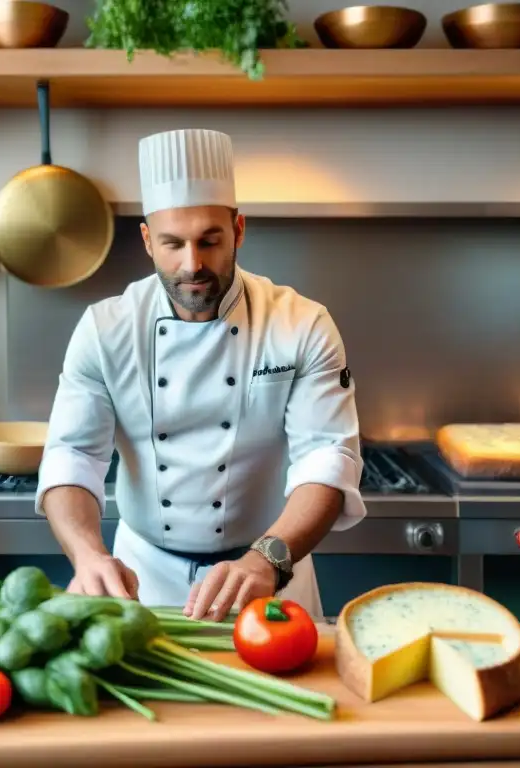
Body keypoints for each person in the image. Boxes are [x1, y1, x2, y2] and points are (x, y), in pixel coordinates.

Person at [34, 128, 365, 621]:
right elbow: (72, 456)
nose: (193, 264)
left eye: (210, 241)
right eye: (172, 244)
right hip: (139, 577)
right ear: (147, 241)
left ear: (239, 230)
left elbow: (326, 460)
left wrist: (267, 559)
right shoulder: (106, 329)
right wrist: (88, 555)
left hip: (270, 574)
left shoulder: (301, 324)